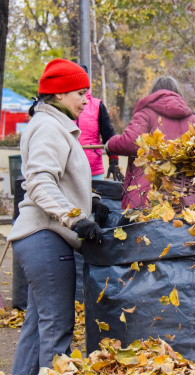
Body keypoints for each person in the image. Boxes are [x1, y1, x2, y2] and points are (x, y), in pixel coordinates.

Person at [7, 58, 109, 375]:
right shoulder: (49, 128)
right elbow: (38, 182)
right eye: (80, 93)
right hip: (46, 239)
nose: (85, 100)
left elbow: (62, 179)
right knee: (57, 330)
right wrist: (75, 218)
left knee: (38, 329)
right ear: (60, 94)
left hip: (42, 238)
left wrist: (91, 200)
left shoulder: (55, 126)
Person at [106, 75, 195, 209]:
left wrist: (110, 144)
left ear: (153, 94)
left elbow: (129, 142)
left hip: (148, 195)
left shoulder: (146, 114)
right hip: (187, 198)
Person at [77, 65, 124, 182]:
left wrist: (114, 162)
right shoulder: (63, 106)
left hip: (93, 169)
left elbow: (109, 135)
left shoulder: (97, 106)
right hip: (68, 171)